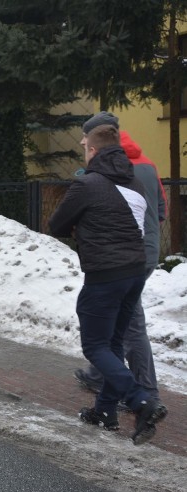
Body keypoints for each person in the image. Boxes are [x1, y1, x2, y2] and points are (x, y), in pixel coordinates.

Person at [48, 123, 166, 445]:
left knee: (96, 347)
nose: (83, 150)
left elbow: (55, 224)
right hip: (134, 274)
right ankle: (104, 411)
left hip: (105, 277)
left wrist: (80, 226)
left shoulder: (88, 185)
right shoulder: (134, 183)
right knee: (114, 343)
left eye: (85, 145)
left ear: (94, 151)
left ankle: (142, 402)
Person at [73, 113, 169, 408]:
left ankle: (144, 392)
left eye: (85, 136)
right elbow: (162, 209)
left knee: (131, 325)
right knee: (122, 321)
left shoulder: (107, 171)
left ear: (95, 140)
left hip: (124, 259)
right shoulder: (148, 166)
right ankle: (105, 380)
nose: (81, 141)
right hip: (145, 251)